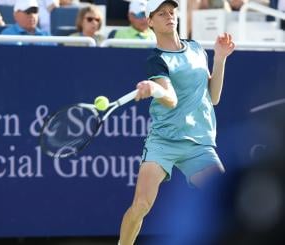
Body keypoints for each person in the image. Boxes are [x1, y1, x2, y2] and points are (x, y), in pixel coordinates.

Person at [118, 0, 235, 244]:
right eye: (161, 13)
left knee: (228, 204)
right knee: (141, 205)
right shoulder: (156, 59)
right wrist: (154, 88)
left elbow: (213, 97)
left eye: (171, 12)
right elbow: (170, 99)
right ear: (149, 21)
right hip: (164, 141)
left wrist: (220, 59)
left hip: (199, 143)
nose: (169, 16)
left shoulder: (196, 48)